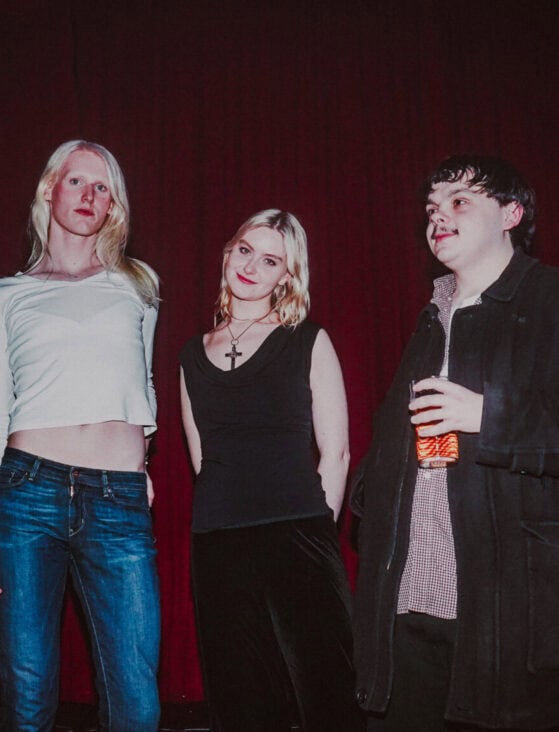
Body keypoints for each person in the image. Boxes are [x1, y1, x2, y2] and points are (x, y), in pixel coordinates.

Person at [351, 155, 559, 730]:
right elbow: (402, 437)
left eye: (460, 202)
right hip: (412, 605)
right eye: (431, 209)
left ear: (512, 214)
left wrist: (488, 417)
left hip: (518, 623)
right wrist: (370, 495)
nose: (439, 217)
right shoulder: (431, 321)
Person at [0, 140, 161, 731]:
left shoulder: (138, 286)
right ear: (50, 188)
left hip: (117, 497)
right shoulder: (0, 297)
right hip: (26, 494)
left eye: (103, 187)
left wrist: (140, 465)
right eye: (78, 182)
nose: (89, 196)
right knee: (26, 693)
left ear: (112, 206)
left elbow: (141, 383)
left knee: (136, 693)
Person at [179, 209, 362, 730]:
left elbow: (338, 452)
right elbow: (200, 457)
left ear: (287, 275)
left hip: (298, 532)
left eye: (270, 260)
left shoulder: (307, 339)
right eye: (244, 251)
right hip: (217, 541)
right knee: (241, 700)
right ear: (227, 252)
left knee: (326, 691)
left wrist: (316, 534)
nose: (252, 266)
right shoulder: (191, 354)